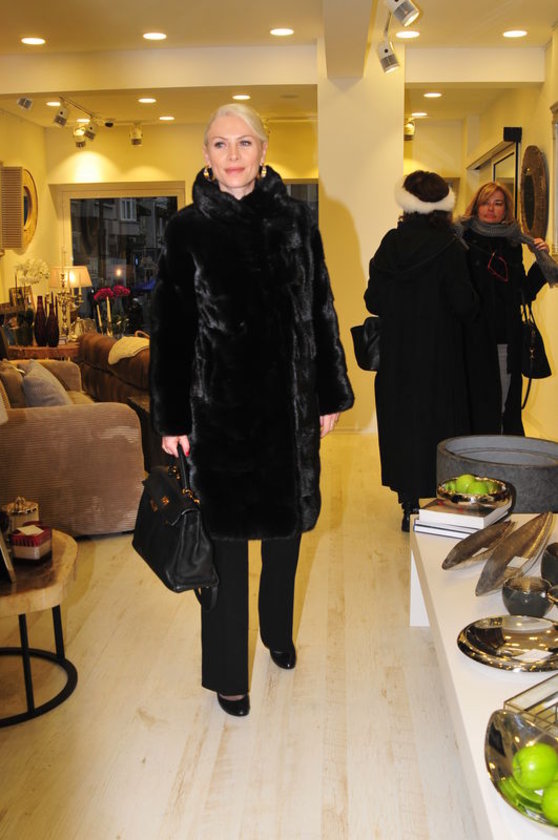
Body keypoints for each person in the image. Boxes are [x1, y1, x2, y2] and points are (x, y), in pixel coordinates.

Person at [149, 103, 354, 717]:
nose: (232, 154)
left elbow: (320, 308)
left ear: (264, 150)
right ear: (206, 156)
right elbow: (171, 329)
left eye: (244, 142)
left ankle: (276, 632)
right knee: (225, 551)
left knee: (284, 537)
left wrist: (328, 393)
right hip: (218, 416)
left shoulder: (297, 220)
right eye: (220, 144)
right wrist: (172, 420)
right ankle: (227, 674)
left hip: (288, 411)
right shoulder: (186, 228)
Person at [364, 170, 479, 531]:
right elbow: (464, 305)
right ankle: (439, 498)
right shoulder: (450, 247)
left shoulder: (391, 243)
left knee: (402, 424)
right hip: (441, 355)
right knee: (440, 424)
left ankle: (409, 502)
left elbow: (373, 300)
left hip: (398, 353)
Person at [455, 181, 556, 435]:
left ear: (506, 209)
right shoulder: (460, 239)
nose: (491, 208)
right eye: (485, 203)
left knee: (502, 405)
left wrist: (541, 261)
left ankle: (498, 453)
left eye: (497, 203)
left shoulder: (512, 243)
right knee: (472, 404)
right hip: (469, 338)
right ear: (476, 207)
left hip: (504, 338)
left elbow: (524, 293)